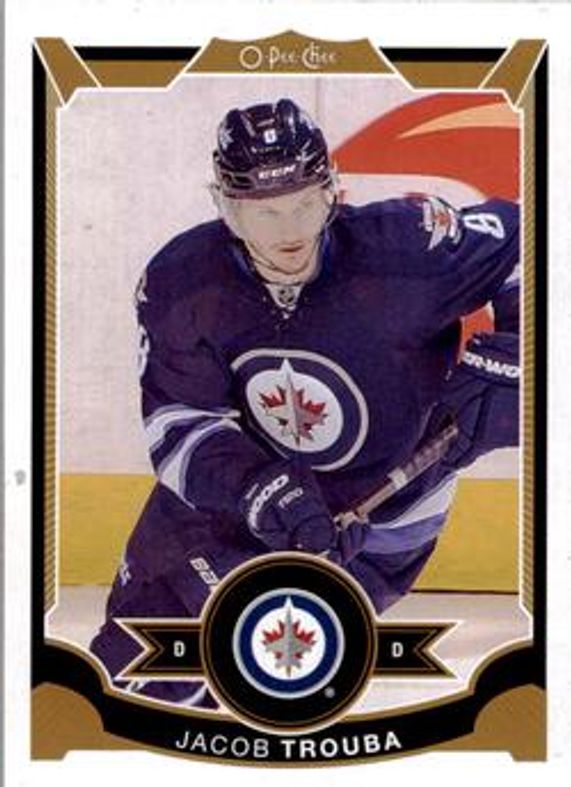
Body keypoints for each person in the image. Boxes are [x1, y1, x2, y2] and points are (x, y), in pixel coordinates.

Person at [90, 98, 520, 705]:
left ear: (332, 191)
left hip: (384, 516)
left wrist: (524, 357)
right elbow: (179, 422)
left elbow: (537, 239)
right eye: (264, 212)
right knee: (128, 673)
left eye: (304, 205)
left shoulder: (406, 250)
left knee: (251, 690)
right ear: (225, 207)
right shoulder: (183, 281)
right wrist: (256, 489)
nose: (288, 232)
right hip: (224, 504)